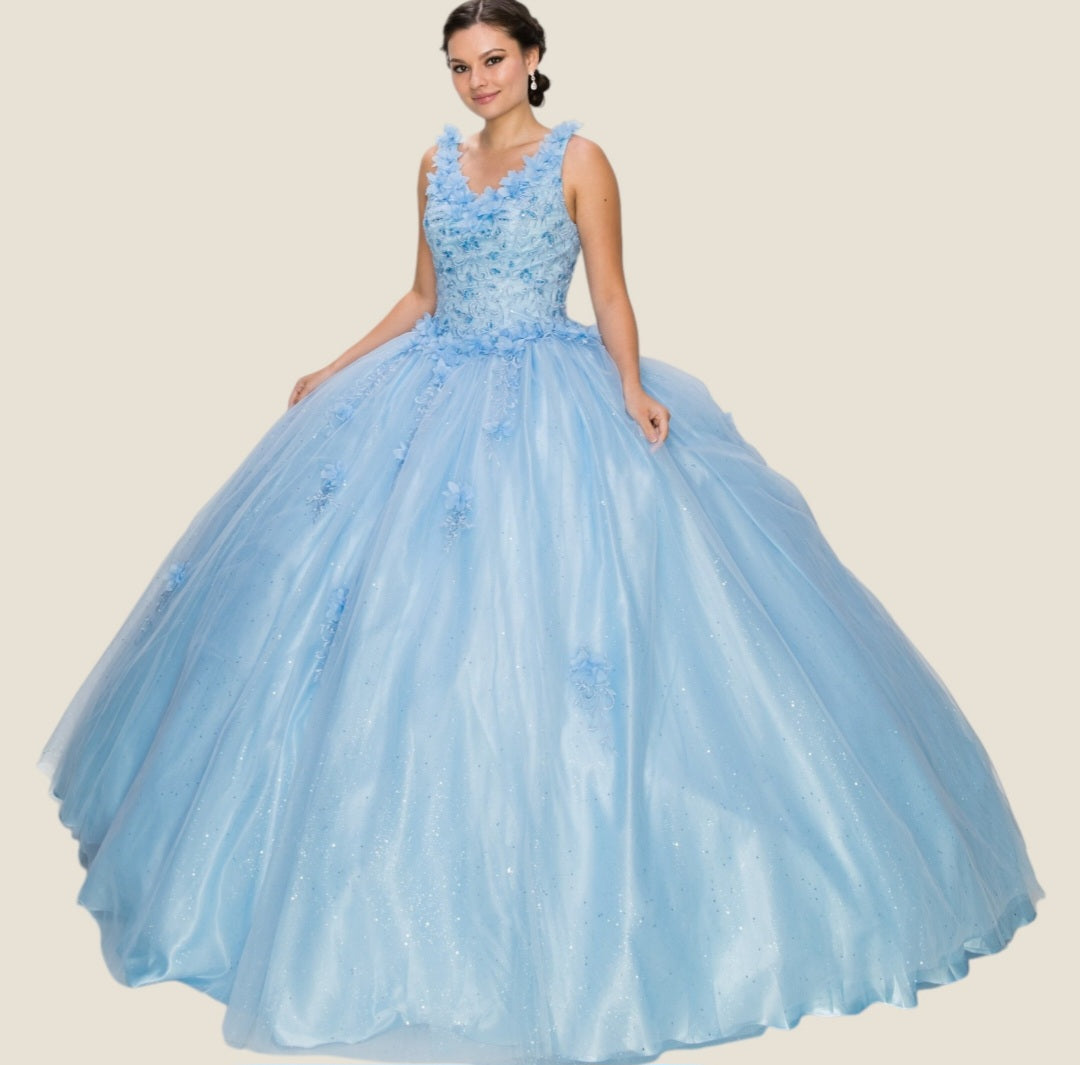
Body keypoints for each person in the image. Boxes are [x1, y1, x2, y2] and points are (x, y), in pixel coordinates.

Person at [37, 2, 1043, 1063]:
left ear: (532, 59)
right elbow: (421, 295)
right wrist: (334, 367)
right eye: (459, 65)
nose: (477, 80)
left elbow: (609, 290)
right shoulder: (433, 165)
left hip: (550, 400)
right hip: (428, 395)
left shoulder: (582, 160)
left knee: (570, 633)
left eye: (493, 59)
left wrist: (630, 386)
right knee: (389, 633)